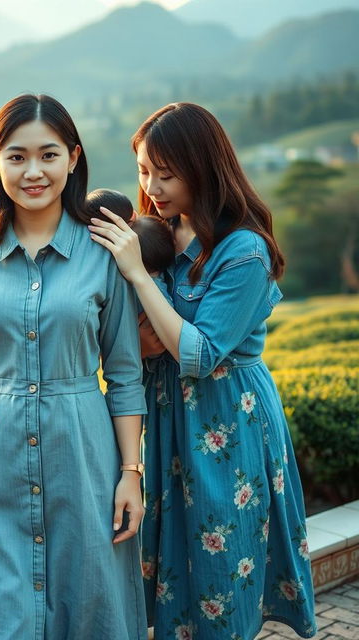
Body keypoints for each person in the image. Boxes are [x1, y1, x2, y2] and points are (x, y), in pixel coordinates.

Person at [88, 102, 317, 640]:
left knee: (221, 561)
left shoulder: (245, 250)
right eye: (145, 170)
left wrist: (138, 277)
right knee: (172, 566)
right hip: (166, 420)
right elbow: (140, 343)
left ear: (206, 168)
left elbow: (197, 354)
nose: (153, 185)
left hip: (225, 424)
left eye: (167, 173)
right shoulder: (162, 234)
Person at [0, 94, 149, 640]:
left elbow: (125, 375)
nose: (33, 171)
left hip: (86, 462)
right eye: (16, 156)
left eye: (48, 155)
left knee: (90, 611)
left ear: (73, 159)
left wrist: (131, 475)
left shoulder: (105, 256)